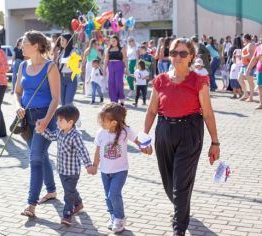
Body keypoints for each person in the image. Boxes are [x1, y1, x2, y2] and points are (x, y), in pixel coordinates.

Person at [142, 38, 220, 236]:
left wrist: (215, 142)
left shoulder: (199, 80)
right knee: (170, 182)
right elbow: (151, 111)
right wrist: (144, 137)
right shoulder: (160, 80)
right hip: (164, 131)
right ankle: (181, 207)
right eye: (174, 52)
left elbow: (208, 113)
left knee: (180, 183)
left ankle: (179, 228)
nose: (177, 57)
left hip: (190, 131)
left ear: (191, 57)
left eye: (183, 53)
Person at [15, 30, 60, 217]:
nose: (21, 46)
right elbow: (17, 92)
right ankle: (51, 191)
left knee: (35, 159)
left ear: (35, 46)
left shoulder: (50, 67)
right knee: (40, 156)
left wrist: (46, 120)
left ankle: (31, 204)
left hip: (45, 118)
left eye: (24, 43)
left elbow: (56, 98)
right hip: (26, 119)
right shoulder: (22, 66)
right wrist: (18, 107)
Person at [36, 105, 95, 225]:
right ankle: (78, 204)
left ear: (70, 122)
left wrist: (88, 165)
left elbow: (82, 151)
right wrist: (42, 131)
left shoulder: (75, 136)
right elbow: (52, 136)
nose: (57, 122)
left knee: (68, 193)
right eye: (57, 119)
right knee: (70, 190)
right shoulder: (59, 131)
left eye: (60, 120)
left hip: (72, 172)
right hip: (62, 169)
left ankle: (67, 215)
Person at [92, 103, 144, 233]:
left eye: (103, 121)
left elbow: (138, 141)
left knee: (113, 194)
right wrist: (94, 165)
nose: (101, 123)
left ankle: (120, 218)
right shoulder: (101, 133)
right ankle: (113, 215)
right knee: (107, 196)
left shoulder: (125, 131)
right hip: (104, 171)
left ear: (114, 122)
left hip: (120, 171)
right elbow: (98, 150)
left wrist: (145, 147)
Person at [103, 35, 128, 105]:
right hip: (110, 66)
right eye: (111, 41)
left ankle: (121, 98)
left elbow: (125, 59)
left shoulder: (122, 49)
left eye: (114, 41)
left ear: (117, 41)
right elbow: (106, 60)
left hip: (119, 66)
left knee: (118, 83)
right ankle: (113, 100)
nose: (113, 42)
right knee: (111, 83)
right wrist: (104, 69)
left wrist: (127, 69)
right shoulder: (108, 49)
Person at [58, 33, 77, 106]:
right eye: (60, 40)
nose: (61, 42)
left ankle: (72, 116)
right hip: (61, 78)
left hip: (71, 77)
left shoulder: (73, 51)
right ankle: (65, 117)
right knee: (62, 102)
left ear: (68, 41)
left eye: (63, 40)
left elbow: (75, 66)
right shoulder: (61, 52)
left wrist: (65, 61)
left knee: (68, 101)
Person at [239, 34, 256, 102]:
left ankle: (251, 97)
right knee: (240, 79)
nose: (242, 39)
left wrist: (242, 56)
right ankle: (246, 94)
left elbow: (251, 55)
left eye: (243, 38)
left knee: (250, 81)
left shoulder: (250, 45)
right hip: (244, 64)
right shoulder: (247, 44)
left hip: (249, 65)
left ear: (245, 38)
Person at [245, 43, 262, 109]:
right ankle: (261, 104)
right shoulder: (258, 48)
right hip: (260, 71)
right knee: (260, 87)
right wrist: (248, 69)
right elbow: (254, 59)